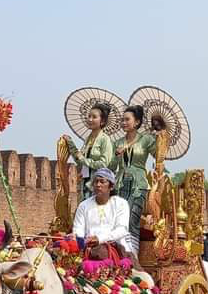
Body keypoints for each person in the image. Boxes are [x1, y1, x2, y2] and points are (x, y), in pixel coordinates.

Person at [113, 105, 158, 249]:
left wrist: (161, 138)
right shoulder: (118, 143)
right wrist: (116, 155)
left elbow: (160, 156)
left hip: (138, 185)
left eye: (127, 120)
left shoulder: (146, 140)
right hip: (120, 184)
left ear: (137, 122)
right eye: (122, 120)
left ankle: (132, 255)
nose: (124, 123)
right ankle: (119, 254)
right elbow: (113, 166)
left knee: (131, 219)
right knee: (118, 220)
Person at [72, 168, 134, 260]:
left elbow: (121, 230)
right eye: (96, 182)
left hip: (116, 248)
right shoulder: (83, 205)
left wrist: (99, 239)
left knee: (101, 252)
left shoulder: (121, 203)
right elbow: (78, 230)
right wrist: (76, 238)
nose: (98, 185)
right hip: (88, 248)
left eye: (102, 182)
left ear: (111, 186)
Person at [63, 102, 116, 201]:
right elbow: (79, 160)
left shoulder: (105, 139)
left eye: (94, 117)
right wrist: (70, 144)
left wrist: (83, 159)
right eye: (89, 116)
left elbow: (103, 163)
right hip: (85, 182)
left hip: (98, 184)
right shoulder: (88, 139)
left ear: (102, 121)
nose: (90, 119)